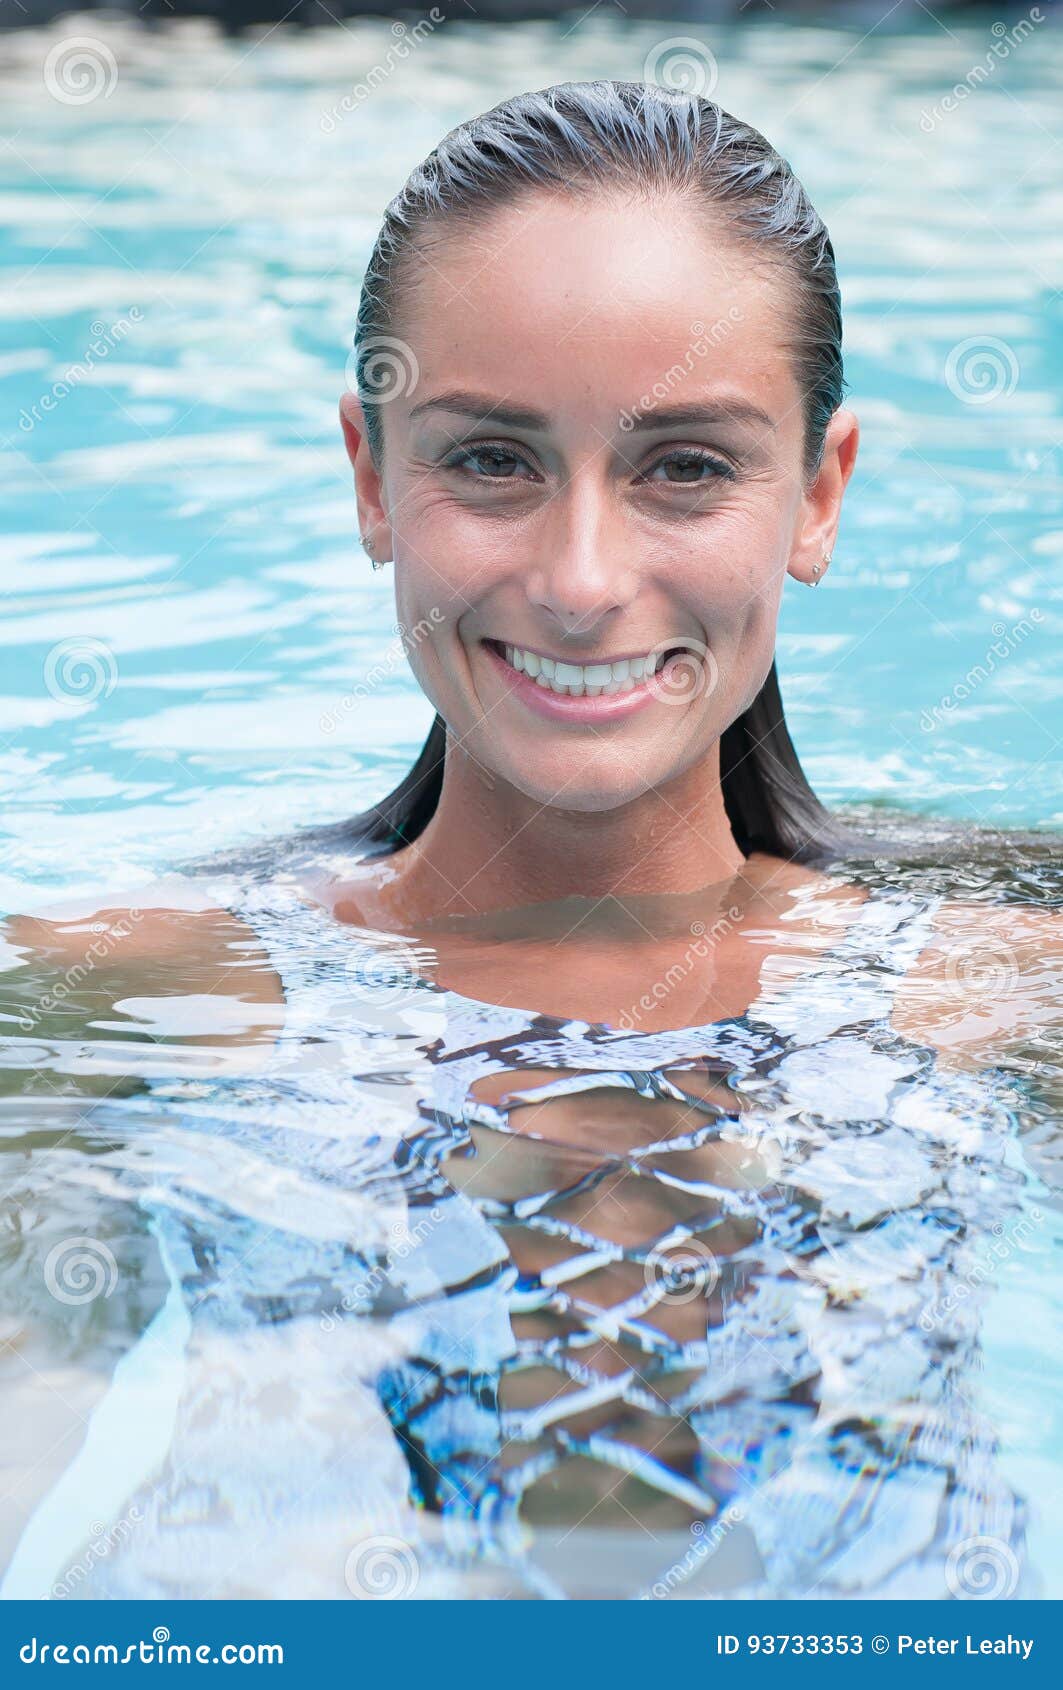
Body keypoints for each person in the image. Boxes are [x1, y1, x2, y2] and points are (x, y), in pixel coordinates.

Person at [3, 82, 1056, 1599]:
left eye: (685, 466)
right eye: (493, 459)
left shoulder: (1003, 1004)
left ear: (819, 498)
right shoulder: (128, 1003)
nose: (579, 580)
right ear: (373, 480)